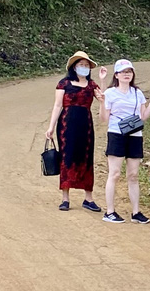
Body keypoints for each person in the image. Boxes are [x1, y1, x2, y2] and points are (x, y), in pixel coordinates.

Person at [100, 59, 150, 223]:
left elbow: (143, 117)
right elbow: (104, 118)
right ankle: (110, 211)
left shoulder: (137, 93)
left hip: (135, 134)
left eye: (129, 71)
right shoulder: (110, 93)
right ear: (117, 75)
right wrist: (101, 102)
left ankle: (136, 212)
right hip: (116, 134)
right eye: (123, 72)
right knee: (114, 173)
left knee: (133, 175)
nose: (126, 74)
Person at [45, 51, 106, 212]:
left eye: (86, 65)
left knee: (86, 157)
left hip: (85, 124)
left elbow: (103, 98)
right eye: (81, 65)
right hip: (66, 124)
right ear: (74, 67)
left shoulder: (92, 85)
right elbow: (57, 106)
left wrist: (102, 80)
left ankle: (89, 198)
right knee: (67, 156)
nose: (84, 68)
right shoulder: (64, 83)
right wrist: (50, 127)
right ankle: (65, 198)